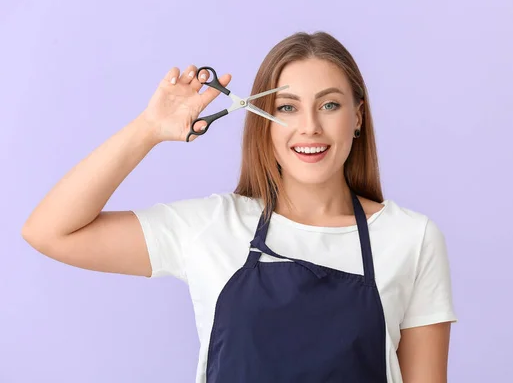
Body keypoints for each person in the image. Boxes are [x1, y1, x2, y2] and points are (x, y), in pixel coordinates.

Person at [22, 31, 458, 382]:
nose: (309, 126)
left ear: (358, 116)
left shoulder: (410, 237)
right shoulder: (211, 226)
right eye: (287, 107)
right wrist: (148, 130)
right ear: (262, 122)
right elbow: (49, 231)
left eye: (329, 105)